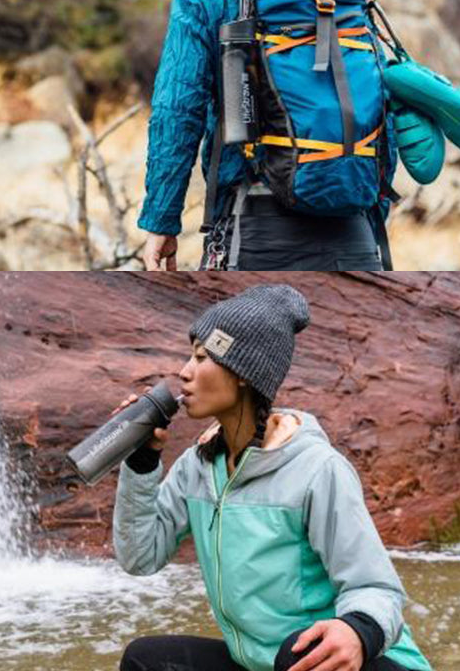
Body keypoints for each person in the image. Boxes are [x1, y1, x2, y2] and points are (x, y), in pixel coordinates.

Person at [112, 284, 433, 671]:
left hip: (352, 660)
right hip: (262, 663)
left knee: (297, 655)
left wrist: (355, 631)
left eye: (201, 357)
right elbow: (139, 557)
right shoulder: (197, 466)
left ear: (244, 373)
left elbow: (376, 588)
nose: (185, 371)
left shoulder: (316, 469)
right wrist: (142, 463)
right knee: (146, 660)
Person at [137, 0, 393, 272]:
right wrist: (373, 212)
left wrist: (161, 222)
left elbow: (177, 112)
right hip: (353, 227)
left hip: (254, 221)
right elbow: (380, 102)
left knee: (247, 331)